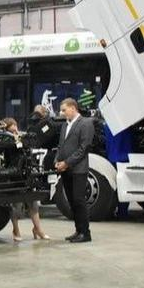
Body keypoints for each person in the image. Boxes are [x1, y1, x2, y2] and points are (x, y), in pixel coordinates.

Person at [2, 117, 50, 242]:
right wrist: (13, 139)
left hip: (26, 173)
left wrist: (21, 139)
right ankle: (16, 230)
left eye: (16, 127)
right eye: (12, 129)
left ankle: (38, 229)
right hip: (13, 175)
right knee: (16, 205)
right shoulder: (3, 140)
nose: (15, 130)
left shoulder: (22, 137)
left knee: (33, 202)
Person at [55, 98, 94, 243]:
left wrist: (67, 163)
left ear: (73, 108)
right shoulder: (65, 125)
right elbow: (61, 146)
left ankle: (85, 233)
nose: (62, 113)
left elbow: (84, 148)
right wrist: (57, 160)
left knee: (79, 200)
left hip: (78, 169)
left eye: (64, 110)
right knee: (72, 201)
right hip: (66, 169)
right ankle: (78, 230)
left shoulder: (86, 123)